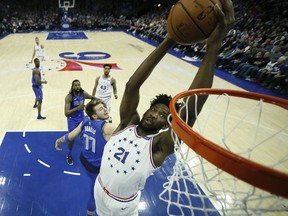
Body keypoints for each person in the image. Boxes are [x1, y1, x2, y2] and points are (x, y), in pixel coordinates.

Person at [94, 0, 235, 215]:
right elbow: (132, 86)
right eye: (155, 109)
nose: (155, 114)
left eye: (163, 115)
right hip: (98, 189)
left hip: (123, 206)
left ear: (166, 124)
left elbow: (191, 107)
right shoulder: (127, 123)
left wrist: (213, 47)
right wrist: (169, 39)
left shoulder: (159, 146)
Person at [55, 99, 115, 216]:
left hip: (84, 159)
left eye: (104, 107)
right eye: (101, 109)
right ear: (95, 115)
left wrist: (59, 140)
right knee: (94, 195)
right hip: (96, 167)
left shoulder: (85, 120)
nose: (105, 109)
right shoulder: (107, 127)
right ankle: (89, 214)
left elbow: (71, 136)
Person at [64, 79, 98, 165]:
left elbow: (92, 97)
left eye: (78, 85)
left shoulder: (83, 94)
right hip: (72, 119)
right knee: (72, 138)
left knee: (88, 134)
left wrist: (99, 101)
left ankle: (87, 149)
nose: (77, 86)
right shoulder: (69, 97)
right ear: (72, 87)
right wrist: (76, 108)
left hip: (82, 118)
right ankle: (68, 154)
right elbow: (66, 113)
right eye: (75, 85)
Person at [30, 37, 46, 108]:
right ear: (35, 40)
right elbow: (34, 52)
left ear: (39, 40)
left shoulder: (41, 45)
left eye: (37, 39)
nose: (36, 40)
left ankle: (35, 104)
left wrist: (43, 57)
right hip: (37, 58)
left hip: (40, 59)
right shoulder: (35, 46)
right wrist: (31, 59)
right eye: (35, 39)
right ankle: (36, 104)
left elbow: (44, 51)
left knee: (40, 72)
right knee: (38, 93)